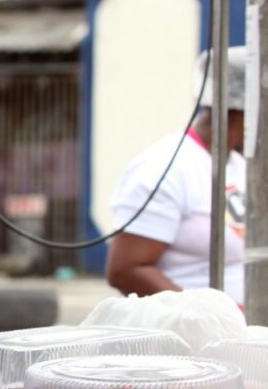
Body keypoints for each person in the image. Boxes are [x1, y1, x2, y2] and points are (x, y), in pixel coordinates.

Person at [106, 46, 247, 305]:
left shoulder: (240, 165)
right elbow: (126, 271)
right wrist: (211, 317)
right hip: (195, 327)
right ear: (241, 108)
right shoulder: (165, 168)